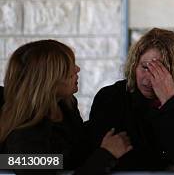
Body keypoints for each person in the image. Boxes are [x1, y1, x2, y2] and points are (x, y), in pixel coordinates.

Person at [88, 28, 174, 171]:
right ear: (134, 65)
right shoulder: (111, 98)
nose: (149, 79)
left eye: (159, 70)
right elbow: (95, 156)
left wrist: (170, 101)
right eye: (145, 67)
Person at [0, 40, 131, 174]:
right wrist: (106, 155)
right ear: (48, 79)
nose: (77, 69)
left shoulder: (65, 105)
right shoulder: (25, 137)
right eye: (68, 66)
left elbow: (66, 158)